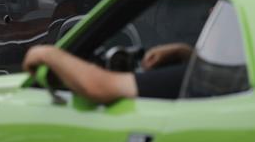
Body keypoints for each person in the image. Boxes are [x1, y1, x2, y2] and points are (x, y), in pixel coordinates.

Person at [23, 42, 192, 104]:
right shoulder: (209, 75)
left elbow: (99, 87)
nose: (210, 13)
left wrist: (47, 54)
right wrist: (185, 53)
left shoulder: (191, 78)